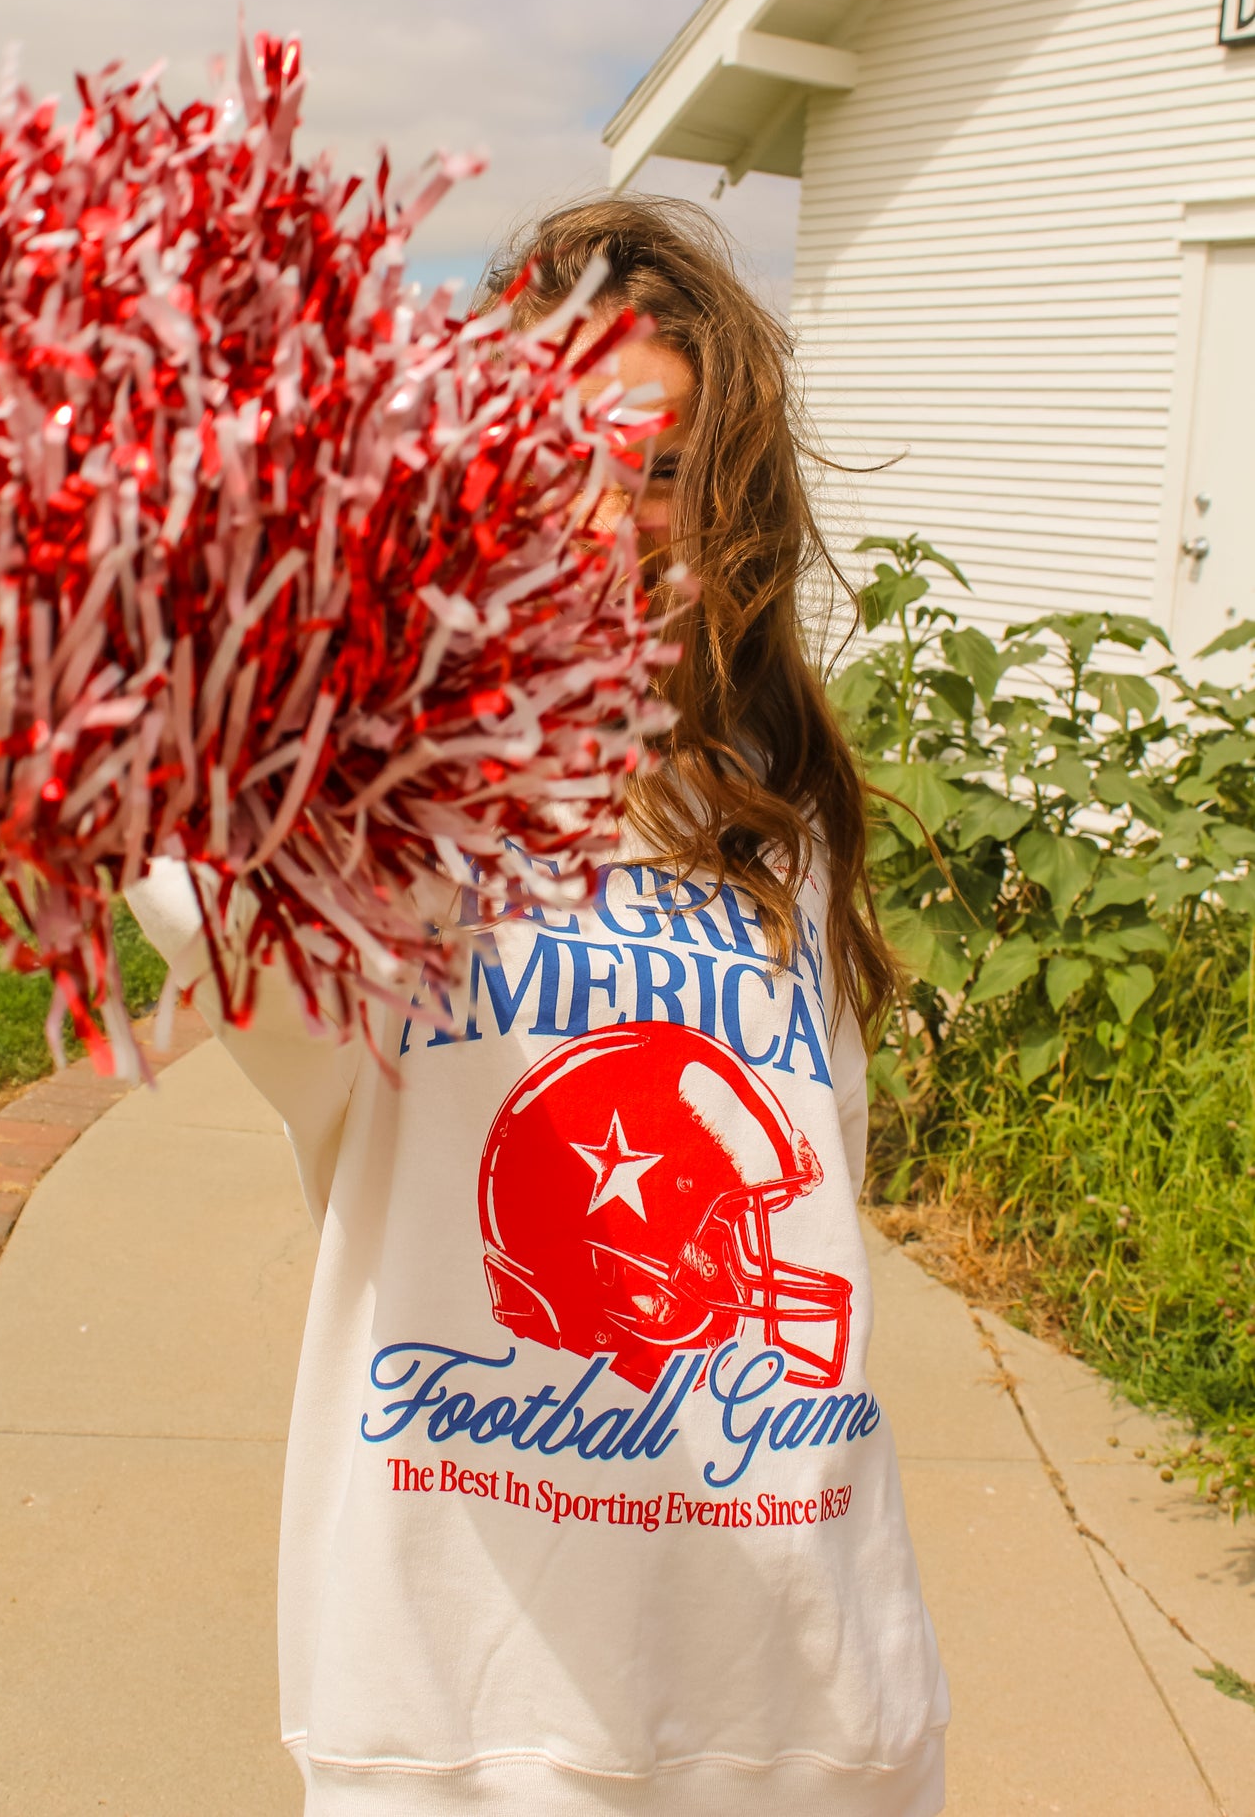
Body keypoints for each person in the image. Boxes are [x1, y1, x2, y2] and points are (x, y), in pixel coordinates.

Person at [128, 193, 949, 1815]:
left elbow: (807, 1224)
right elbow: (202, 867)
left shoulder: (767, 830)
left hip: (816, 1703)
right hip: (468, 1729)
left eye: (662, 469)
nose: (612, 513)